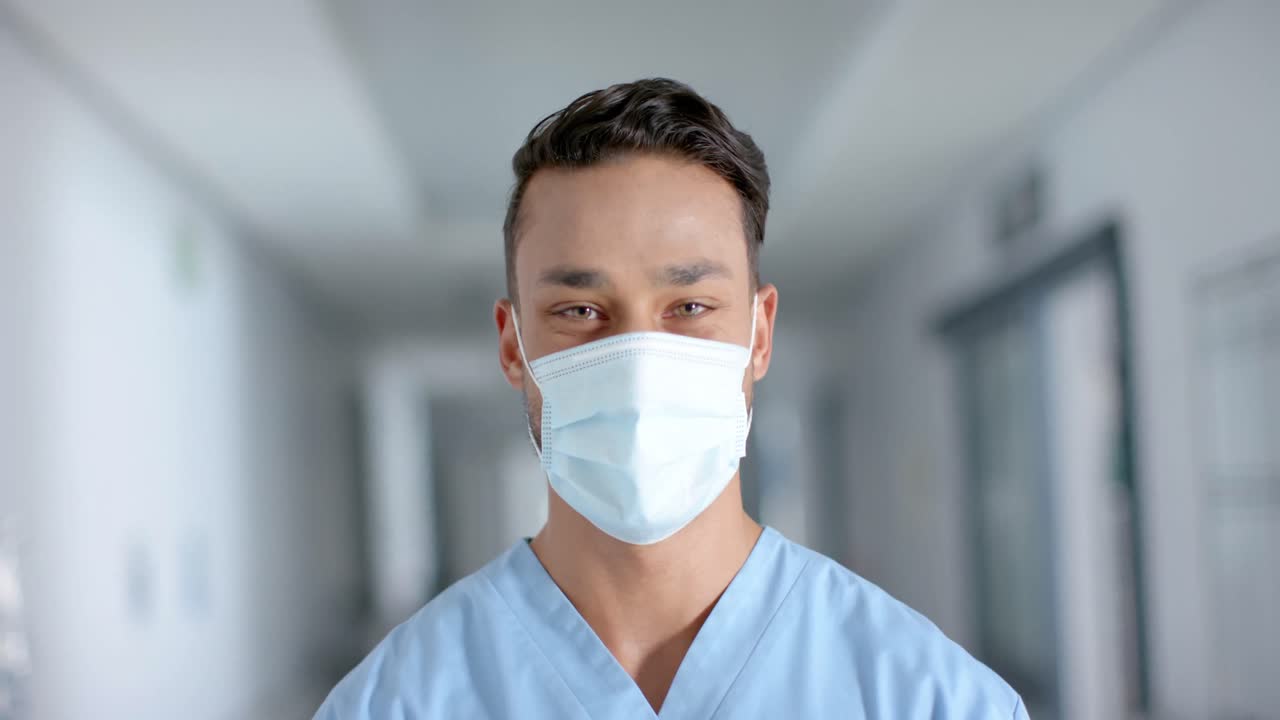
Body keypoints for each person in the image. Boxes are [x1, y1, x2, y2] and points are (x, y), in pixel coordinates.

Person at [314, 78, 1027, 720]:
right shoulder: (395, 703)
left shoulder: (930, 700)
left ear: (759, 333)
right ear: (512, 346)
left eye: (689, 307)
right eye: (581, 311)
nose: (638, 365)